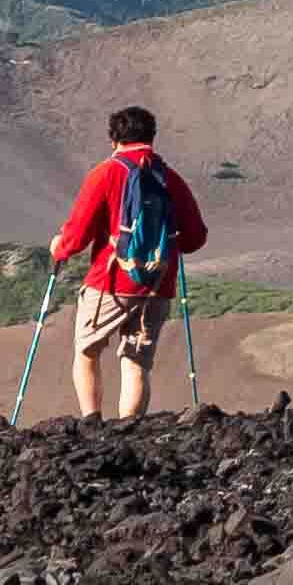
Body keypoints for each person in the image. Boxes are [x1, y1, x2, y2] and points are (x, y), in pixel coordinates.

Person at [48, 104, 210, 423]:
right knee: (136, 362)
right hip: (157, 284)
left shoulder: (106, 173)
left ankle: (92, 423)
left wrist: (59, 248)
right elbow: (195, 238)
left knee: (87, 350)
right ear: (152, 136)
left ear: (114, 139)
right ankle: (128, 429)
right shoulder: (170, 179)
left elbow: (78, 234)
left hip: (110, 282)